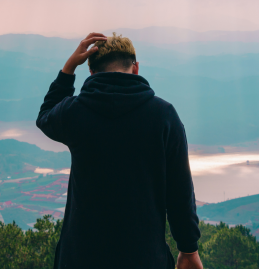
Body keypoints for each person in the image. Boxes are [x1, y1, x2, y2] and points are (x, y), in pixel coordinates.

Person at [37, 32, 203, 269]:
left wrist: (69, 67)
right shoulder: (163, 115)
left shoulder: (74, 112)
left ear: (92, 72)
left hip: (81, 256)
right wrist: (188, 250)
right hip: (145, 256)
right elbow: (179, 191)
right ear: (135, 68)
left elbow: (45, 116)